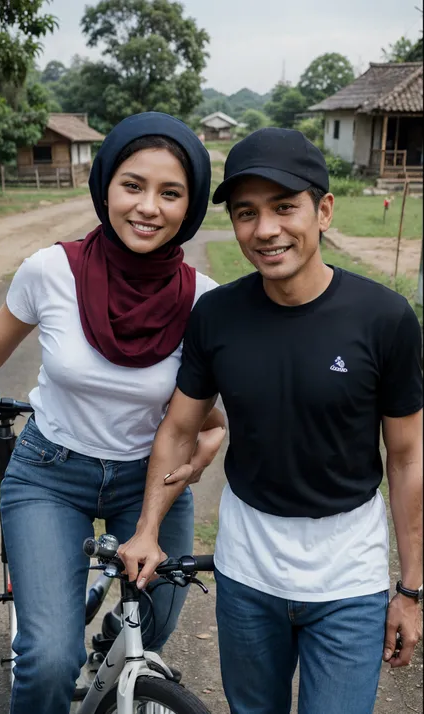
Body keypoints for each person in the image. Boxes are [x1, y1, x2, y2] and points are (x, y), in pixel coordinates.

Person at [118, 127, 423, 714]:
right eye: (246, 213)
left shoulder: (384, 319)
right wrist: (147, 528)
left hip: (349, 579)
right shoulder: (217, 314)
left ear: (323, 210)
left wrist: (410, 589)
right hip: (247, 571)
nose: (266, 230)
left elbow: (407, 457)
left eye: (285, 207)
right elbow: (180, 427)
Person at [0, 112, 226, 714]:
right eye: (133, 185)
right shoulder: (50, 270)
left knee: (148, 633)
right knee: (49, 661)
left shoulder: (204, 301)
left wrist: (208, 445)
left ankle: (111, 660)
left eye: (170, 192)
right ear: (105, 187)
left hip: (148, 483)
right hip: (50, 474)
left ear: (192, 204)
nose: (148, 206)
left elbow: (208, 416)